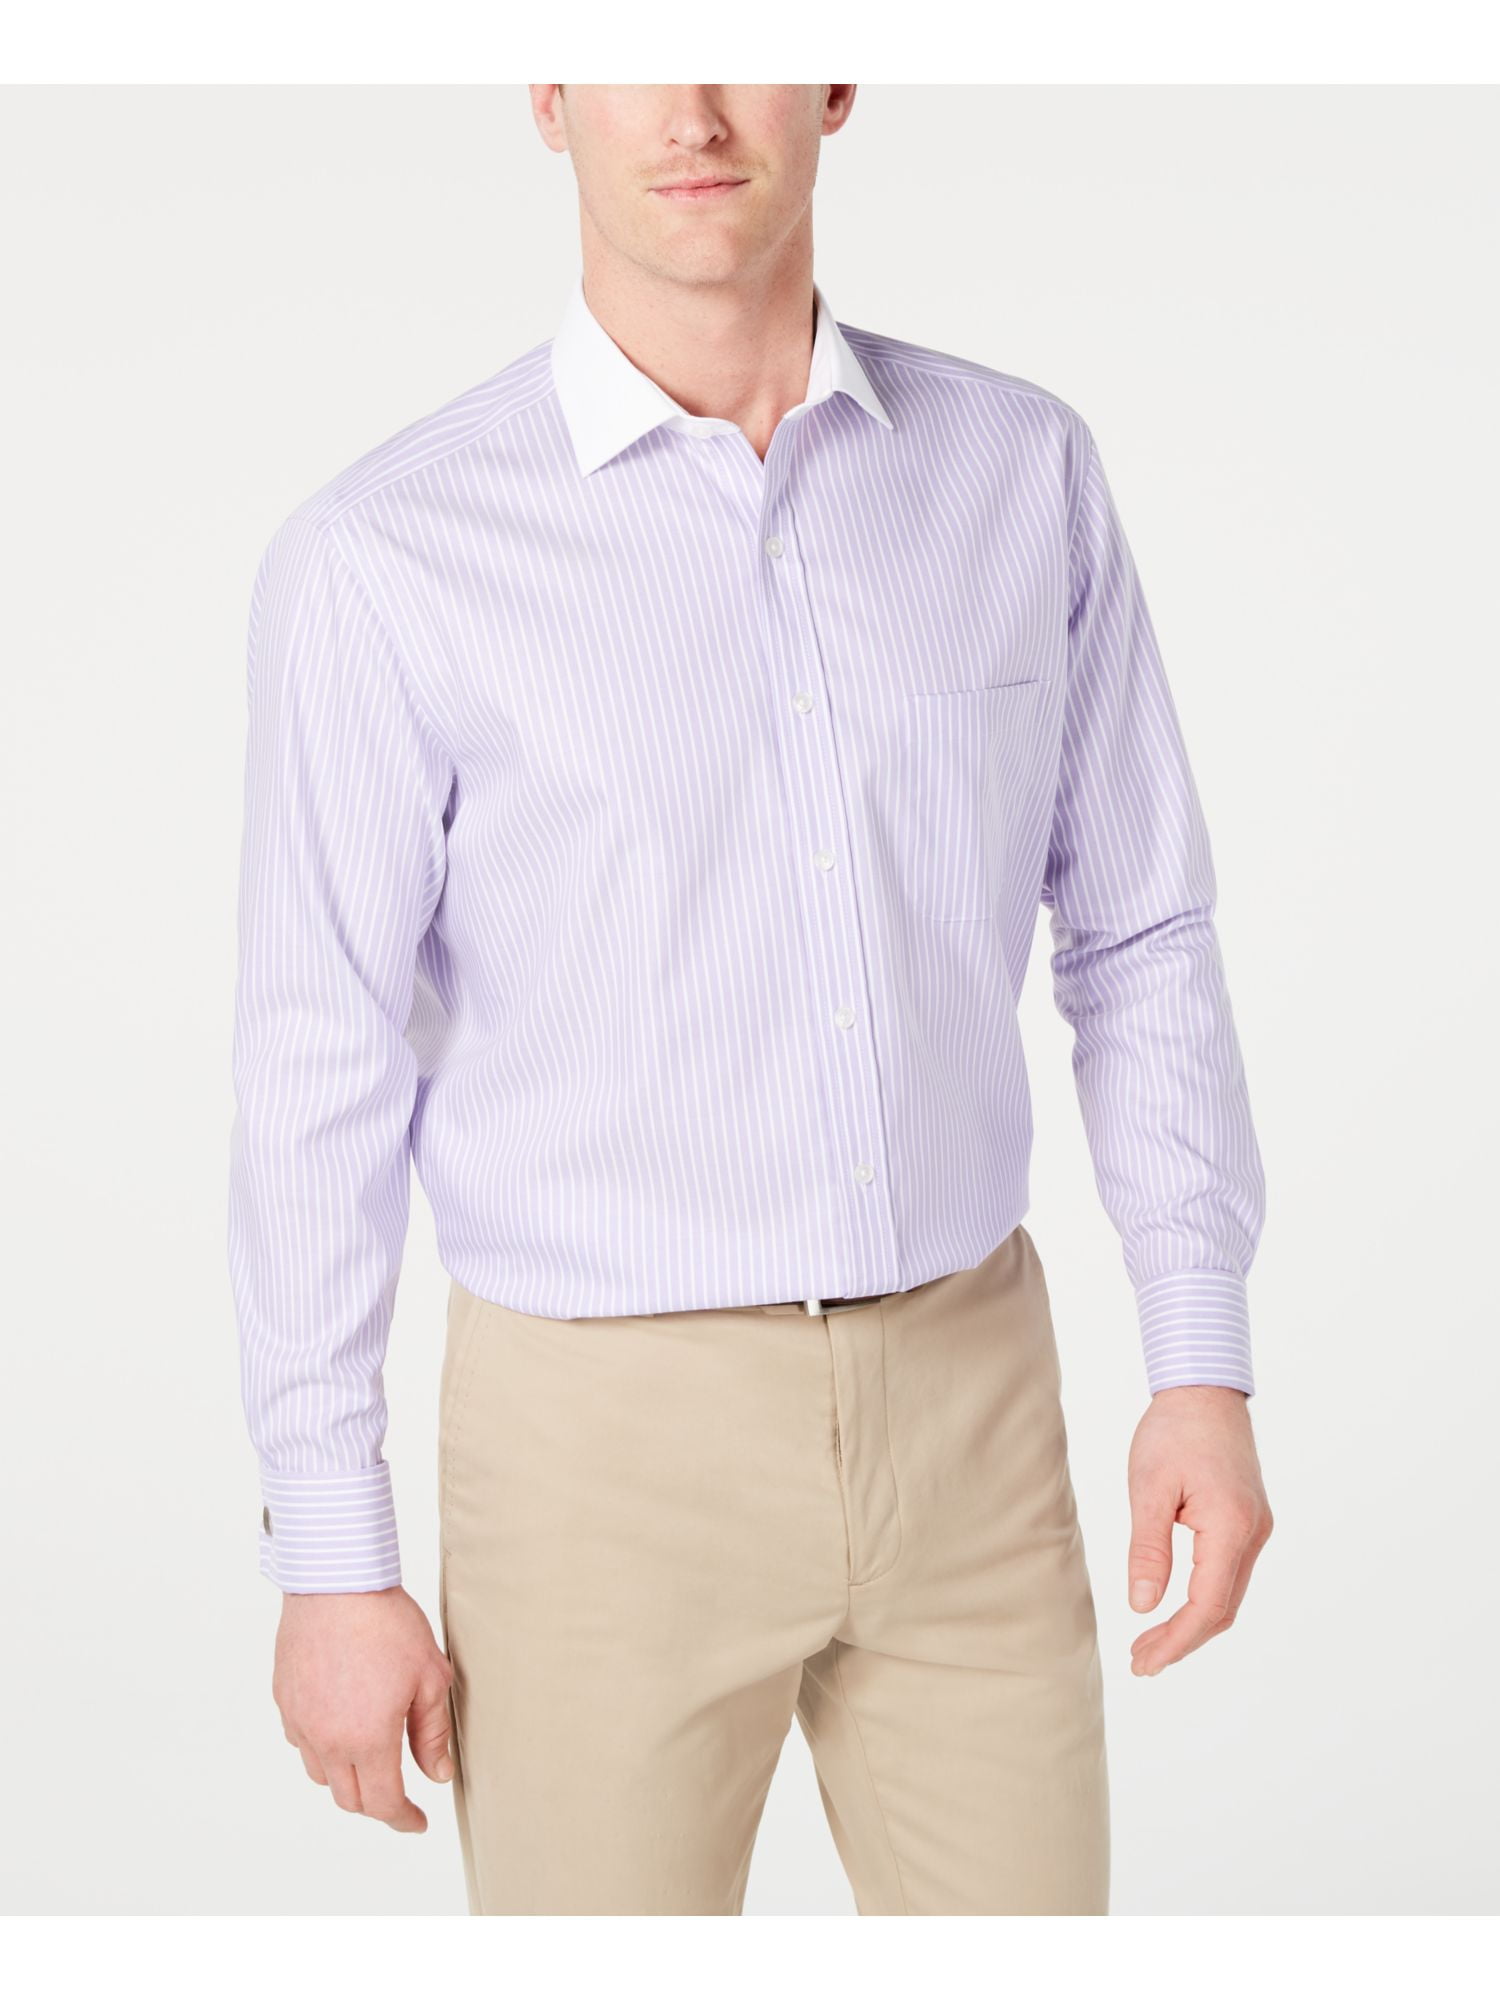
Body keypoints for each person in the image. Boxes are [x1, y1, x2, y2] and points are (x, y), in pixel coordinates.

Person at [229, 83, 1274, 1917]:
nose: (696, 109)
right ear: (548, 92)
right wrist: (332, 1551)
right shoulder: (389, 553)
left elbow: (1138, 929)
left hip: (972, 1409)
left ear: (839, 78)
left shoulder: (1017, 472)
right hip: (596, 1455)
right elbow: (318, 1064)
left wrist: (1198, 1360)